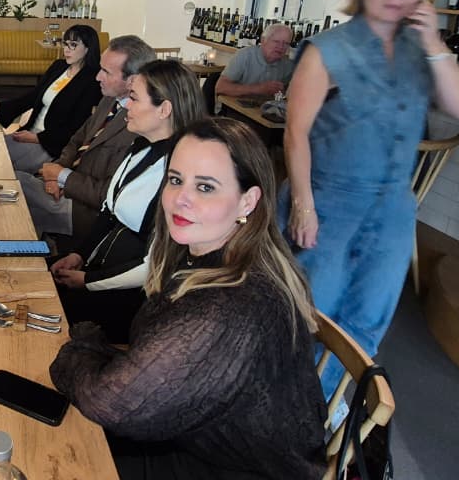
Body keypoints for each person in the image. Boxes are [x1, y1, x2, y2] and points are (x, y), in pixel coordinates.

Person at [50, 117, 327, 480]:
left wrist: (78, 348)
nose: (181, 199)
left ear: (247, 202)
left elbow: (109, 403)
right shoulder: (207, 252)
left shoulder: (230, 308)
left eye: (206, 187)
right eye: (176, 179)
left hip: (232, 466)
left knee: (57, 455)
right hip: (197, 430)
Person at [281, 0, 459, 398]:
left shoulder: (420, 51)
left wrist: (434, 42)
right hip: (329, 203)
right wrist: (304, 206)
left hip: (393, 210)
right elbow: (295, 133)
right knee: (311, 314)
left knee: (368, 321)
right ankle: (287, 410)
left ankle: (327, 409)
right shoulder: (327, 49)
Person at [49, 59, 206, 343]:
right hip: (96, 273)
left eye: (134, 98)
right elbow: (108, 213)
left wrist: (87, 282)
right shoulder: (140, 146)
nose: (126, 106)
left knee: (37, 307)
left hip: (130, 302)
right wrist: (79, 255)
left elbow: (154, 265)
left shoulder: (179, 175)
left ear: (164, 109)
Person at [21, 34, 153, 240]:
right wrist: (57, 174)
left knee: (16, 186)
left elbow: (109, 193)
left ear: (133, 80)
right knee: (15, 187)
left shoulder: (141, 126)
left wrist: (63, 176)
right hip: (68, 187)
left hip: (87, 211)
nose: (97, 77)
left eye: (106, 72)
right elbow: (76, 140)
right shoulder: (109, 100)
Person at [0, 24, 102, 175]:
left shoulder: (92, 82)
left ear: (88, 48)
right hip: (30, 133)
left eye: (73, 45)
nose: (66, 50)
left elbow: (77, 127)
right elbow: (33, 97)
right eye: (65, 44)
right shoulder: (59, 67)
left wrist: (38, 138)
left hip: (50, 144)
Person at [215, 23, 296, 98]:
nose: (281, 47)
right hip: (235, 106)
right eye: (276, 41)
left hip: (264, 107)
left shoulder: (288, 65)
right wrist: (258, 89)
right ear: (263, 40)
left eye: (286, 43)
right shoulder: (245, 56)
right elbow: (220, 87)